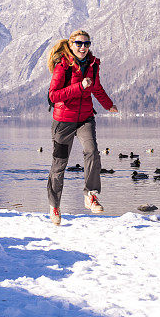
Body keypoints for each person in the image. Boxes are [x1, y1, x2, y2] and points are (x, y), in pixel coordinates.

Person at [46, 29, 118, 225]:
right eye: (79, 43)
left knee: (92, 151)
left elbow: (97, 88)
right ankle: (54, 206)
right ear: (71, 45)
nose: (83, 47)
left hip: (85, 118)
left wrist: (108, 104)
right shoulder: (63, 66)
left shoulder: (93, 65)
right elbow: (53, 96)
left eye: (87, 44)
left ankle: (91, 195)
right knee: (59, 165)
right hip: (63, 122)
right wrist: (79, 87)